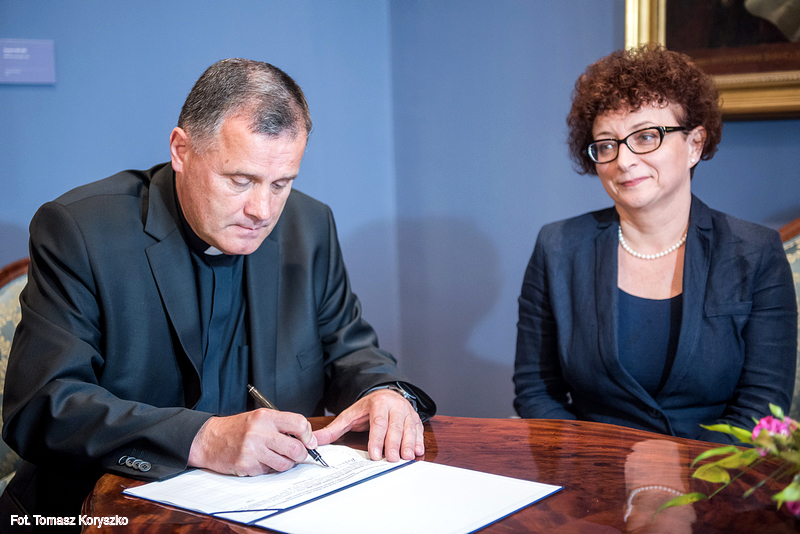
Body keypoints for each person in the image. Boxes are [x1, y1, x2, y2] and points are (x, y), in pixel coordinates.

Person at [1, 58, 435, 523]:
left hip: (265, 511)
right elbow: (42, 406)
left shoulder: (310, 226)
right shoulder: (83, 231)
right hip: (98, 514)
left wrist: (386, 393)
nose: (262, 210)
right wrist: (202, 438)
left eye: (281, 183)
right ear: (181, 150)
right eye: (240, 181)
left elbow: (349, 350)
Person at [513, 44, 796, 443]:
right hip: (591, 469)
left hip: (713, 474)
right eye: (607, 144)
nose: (624, 160)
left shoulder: (755, 251)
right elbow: (537, 390)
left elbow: (761, 407)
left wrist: (683, 470)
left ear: (694, 144)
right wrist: (597, 465)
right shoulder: (557, 247)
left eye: (646, 136)